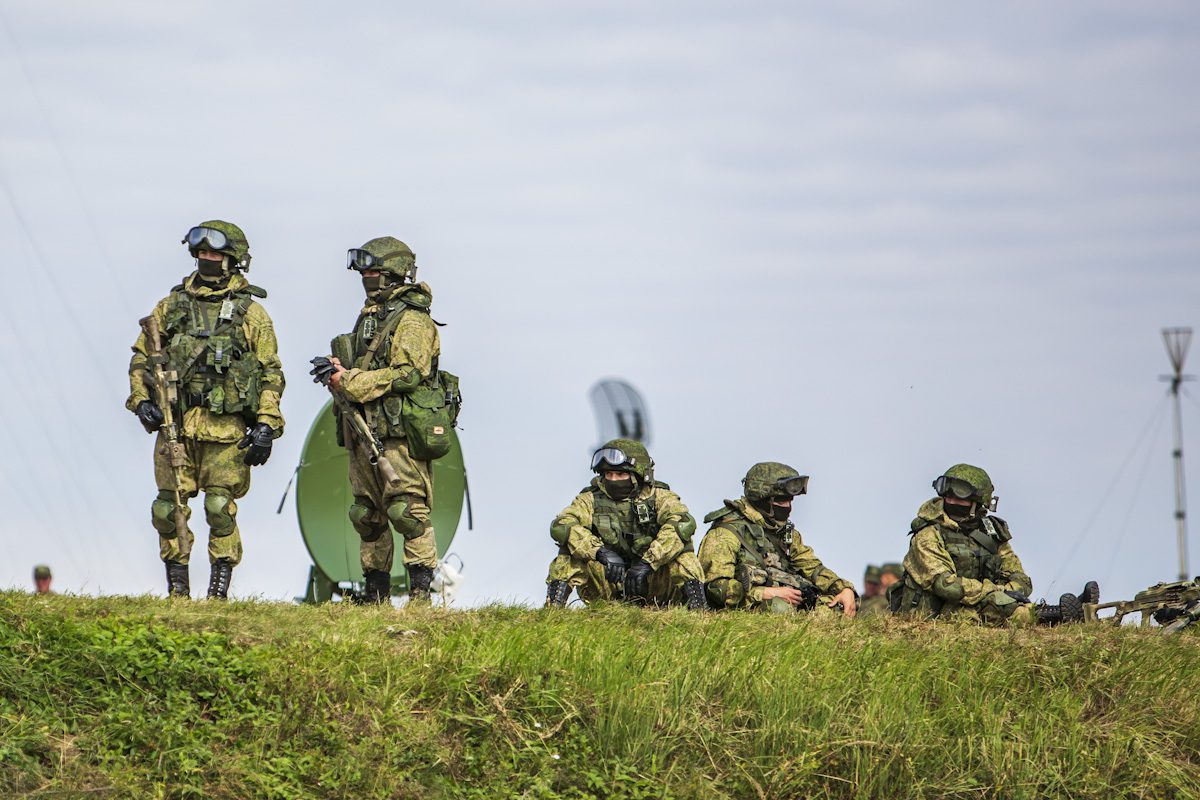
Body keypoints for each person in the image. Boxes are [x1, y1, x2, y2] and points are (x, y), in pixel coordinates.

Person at [126, 221, 284, 599]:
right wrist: (141, 400)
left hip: (224, 429)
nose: (205, 258)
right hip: (175, 425)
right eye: (200, 251)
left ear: (232, 260)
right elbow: (140, 358)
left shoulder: (251, 314)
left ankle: (218, 592)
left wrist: (266, 424)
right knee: (167, 509)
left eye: (214, 253)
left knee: (219, 506)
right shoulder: (170, 307)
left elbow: (270, 373)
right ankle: (178, 592)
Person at [316, 237, 444, 605]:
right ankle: (375, 595)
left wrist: (351, 381)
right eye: (364, 272)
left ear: (393, 274)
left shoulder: (413, 320)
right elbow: (369, 370)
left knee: (407, 512)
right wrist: (337, 370)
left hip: (399, 434)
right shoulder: (371, 316)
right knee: (366, 515)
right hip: (363, 430)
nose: (367, 278)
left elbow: (407, 374)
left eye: (374, 271)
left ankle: (420, 596)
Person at [894, 464, 1098, 625]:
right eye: (947, 494)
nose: (951, 499)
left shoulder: (990, 532)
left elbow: (1020, 579)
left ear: (978, 503)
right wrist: (996, 593)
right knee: (1009, 611)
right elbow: (946, 585)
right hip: (938, 614)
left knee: (1003, 607)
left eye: (959, 496)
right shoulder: (928, 533)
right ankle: (1062, 614)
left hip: (979, 604)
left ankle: (1071, 612)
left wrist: (1006, 592)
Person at [544, 439, 706, 609]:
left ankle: (699, 609)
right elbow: (562, 525)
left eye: (620, 474)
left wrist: (648, 563)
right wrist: (599, 552)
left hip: (656, 585)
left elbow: (682, 523)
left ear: (638, 475)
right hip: (608, 585)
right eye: (608, 474)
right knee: (570, 548)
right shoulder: (589, 499)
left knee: (681, 547)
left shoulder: (660, 497)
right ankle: (553, 609)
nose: (613, 479)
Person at [698, 462, 857, 615]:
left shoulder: (784, 532)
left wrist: (843, 588)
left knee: (842, 605)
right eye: (782, 500)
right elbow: (716, 588)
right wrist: (765, 593)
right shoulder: (726, 533)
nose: (788, 506)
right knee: (779, 609)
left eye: (790, 500)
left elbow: (811, 566)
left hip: (792, 603)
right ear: (762, 498)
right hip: (751, 607)